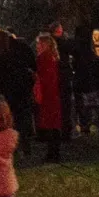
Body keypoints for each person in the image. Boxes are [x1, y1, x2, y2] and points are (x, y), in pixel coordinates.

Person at [33, 33, 66, 161]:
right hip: (53, 93)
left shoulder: (43, 58)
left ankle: (52, 153)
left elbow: (42, 76)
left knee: (50, 123)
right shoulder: (53, 57)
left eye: (39, 44)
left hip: (47, 93)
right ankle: (54, 152)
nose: (37, 46)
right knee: (54, 123)